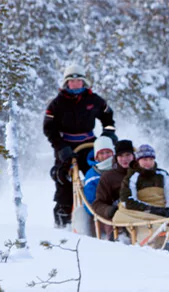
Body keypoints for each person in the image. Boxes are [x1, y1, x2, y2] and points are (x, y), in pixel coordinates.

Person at [44, 63, 118, 228]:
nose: (75, 84)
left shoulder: (93, 99)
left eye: (79, 80)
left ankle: (106, 211)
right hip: (66, 147)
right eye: (72, 81)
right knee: (64, 181)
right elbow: (49, 129)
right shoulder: (57, 103)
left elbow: (108, 117)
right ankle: (63, 221)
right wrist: (61, 147)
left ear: (84, 82)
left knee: (100, 175)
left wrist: (108, 134)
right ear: (66, 83)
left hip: (89, 144)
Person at [113, 144, 169, 248]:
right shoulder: (132, 177)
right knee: (151, 226)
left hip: (163, 208)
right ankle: (162, 240)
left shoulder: (162, 174)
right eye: (145, 159)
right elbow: (128, 199)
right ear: (138, 160)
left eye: (151, 159)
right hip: (142, 213)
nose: (148, 163)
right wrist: (152, 209)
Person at [92, 140, 135, 239]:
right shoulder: (108, 177)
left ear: (133, 156)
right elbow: (97, 204)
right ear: (116, 157)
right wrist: (110, 211)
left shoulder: (142, 172)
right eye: (121, 156)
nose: (124, 159)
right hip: (119, 217)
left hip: (143, 212)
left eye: (128, 155)